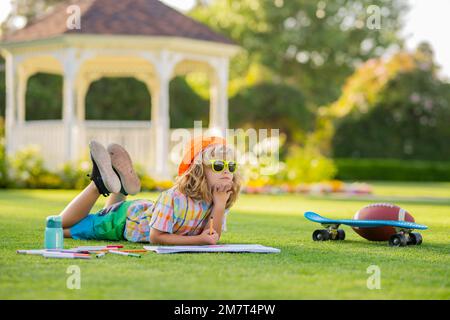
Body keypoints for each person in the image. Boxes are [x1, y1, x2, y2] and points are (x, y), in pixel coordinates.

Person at [59, 136, 241, 245]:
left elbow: (212, 237)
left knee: (97, 215)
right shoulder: (174, 198)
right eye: (218, 165)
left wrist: (219, 206)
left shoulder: (219, 198)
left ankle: (120, 186)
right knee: (59, 228)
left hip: (143, 212)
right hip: (122, 221)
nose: (227, 171)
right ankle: (98, 185)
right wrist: (197, 241)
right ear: (198, 170)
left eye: (231, 166)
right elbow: (156, 237)